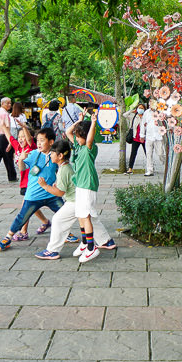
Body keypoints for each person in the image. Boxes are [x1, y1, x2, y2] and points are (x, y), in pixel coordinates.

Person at [0, 126, 63, 251]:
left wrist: (58, 182)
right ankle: (8, 237)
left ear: (51, 142)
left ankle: (66, 233)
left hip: (51, 194)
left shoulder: (55, 155)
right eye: (37, 140)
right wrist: (21, 159)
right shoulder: (33, 154)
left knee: (64, 213)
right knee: (22, 217)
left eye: (42, 140)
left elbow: (60, 170)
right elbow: (22, 168)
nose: (38, 143)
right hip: (33, 195)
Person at [67, 109, 112, 262]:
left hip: (87, 185)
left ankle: (92, 248)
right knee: (80, 214)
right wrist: (79, 121)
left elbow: (90, 140)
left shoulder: (89, 147)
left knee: (85, 216)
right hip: (79, 184)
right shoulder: (78, 147)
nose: (77, 138)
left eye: (79, 136)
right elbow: (68, 132)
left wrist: (93, 123)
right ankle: (85, 242)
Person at [9, 126, 48, 240]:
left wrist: (23, 126)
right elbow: (9, 137)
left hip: (33, 183)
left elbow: (30, 140)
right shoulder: (19, 148)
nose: (21, 139)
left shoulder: (31, 148)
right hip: (24, 183)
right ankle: (46, 222)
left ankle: (23, 231)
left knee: (25, 207)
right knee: (33, 206)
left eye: (23, 137)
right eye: (19, 137)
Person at [142, 103, 164, 178]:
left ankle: (165, 163)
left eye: (152, 103)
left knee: (160, 153)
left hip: (158, 136)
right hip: (149, 136)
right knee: (148, 154)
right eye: (150, 104)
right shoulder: (146, 113)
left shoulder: (160, 112)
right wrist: (142, 135)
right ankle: (150, 170)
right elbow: (143, 123)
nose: (150, 105)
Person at [126, 103, 146, 175]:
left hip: (144, 138)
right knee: (133, 154)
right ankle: (130, 169)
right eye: (139, 108)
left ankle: (150, 168)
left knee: (148, 153)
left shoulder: (146, 117)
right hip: (135, 138)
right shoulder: (134, 116)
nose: (140, 109)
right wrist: (131, 111)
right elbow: (124, 115)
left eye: (142, 108)